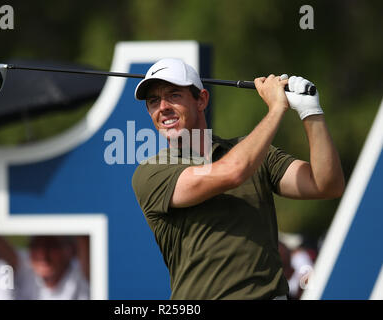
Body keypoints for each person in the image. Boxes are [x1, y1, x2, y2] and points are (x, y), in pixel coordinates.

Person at [131, 58, 345, 299]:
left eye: (173, 95)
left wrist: (310, 112)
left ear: (201, 99)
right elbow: (233, 172)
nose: (163, 107)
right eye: (153, 101)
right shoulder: (151, 171)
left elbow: (327, 184)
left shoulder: (255, 153)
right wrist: (276, 109)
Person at [14, 235, 90, 300]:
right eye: (36, 246)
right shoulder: (25, 269)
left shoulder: (83, 274)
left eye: (52, 246)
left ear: (70, 250)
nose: (43, 256)